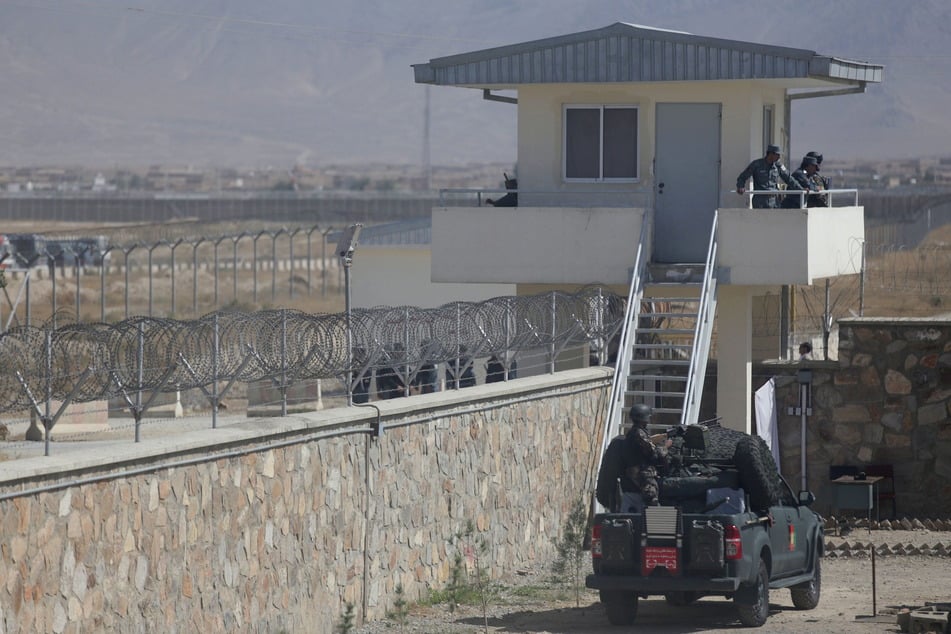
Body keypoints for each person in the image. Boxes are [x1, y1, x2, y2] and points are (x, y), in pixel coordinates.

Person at [595, 404, 672, 512]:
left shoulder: (633, 434)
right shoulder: (638, 434)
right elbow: (653, 454)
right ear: (644, 419)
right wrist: (665, 446)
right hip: (643, 482)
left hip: (633, 483)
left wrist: (659, 438)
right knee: (652, 512)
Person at [736, 144, 801, 209]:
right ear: (770, 154)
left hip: (774, 201)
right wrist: (740, 186)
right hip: (760, 201)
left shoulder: (778, 166)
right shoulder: (756, 164)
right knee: (760, 219)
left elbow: (789, 179)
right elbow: (742, 177)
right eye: (777, 155)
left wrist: (801, 189)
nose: (779, 157)